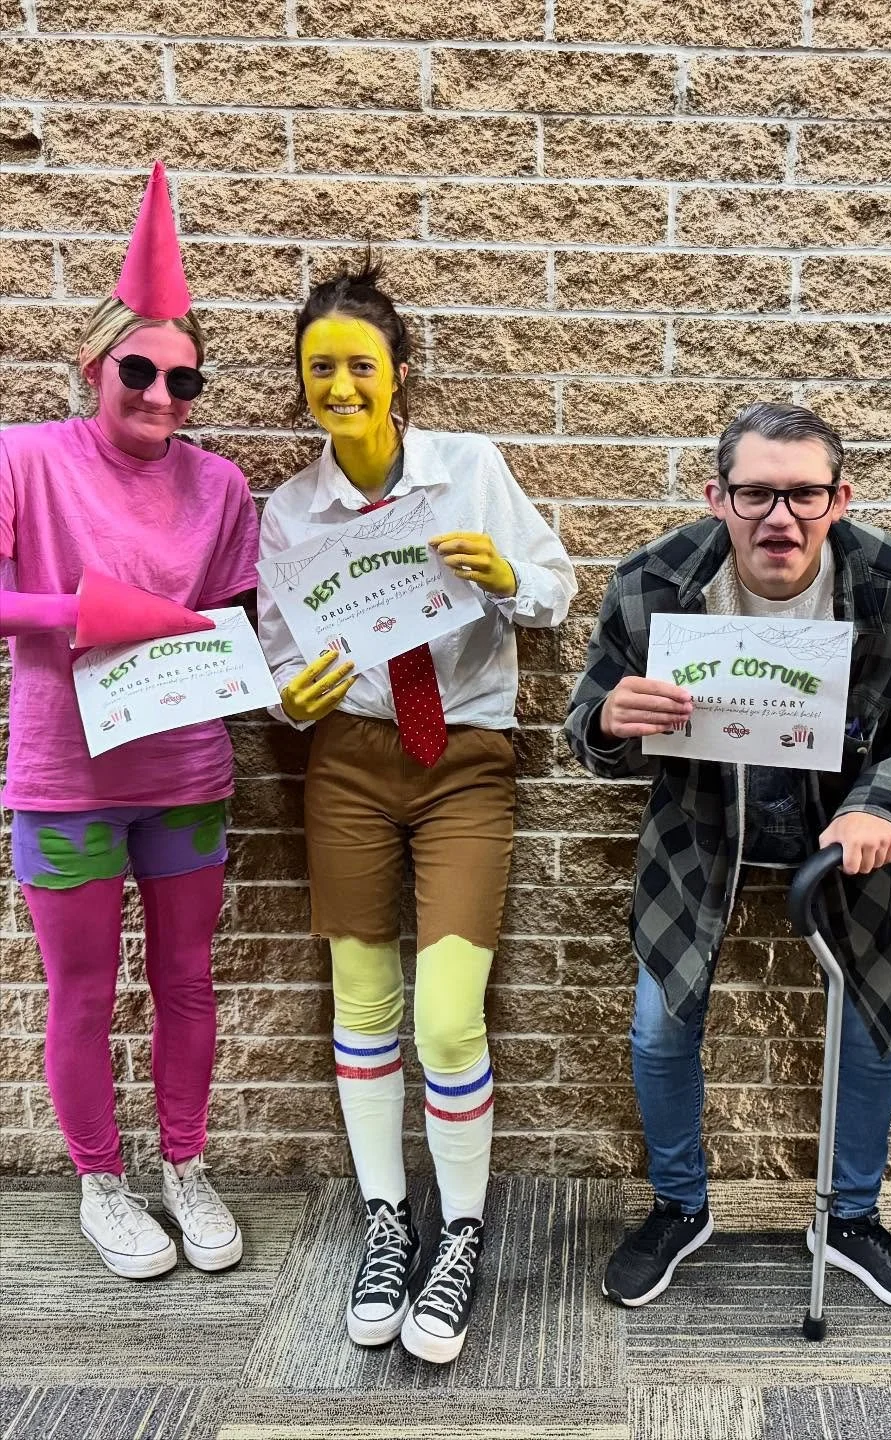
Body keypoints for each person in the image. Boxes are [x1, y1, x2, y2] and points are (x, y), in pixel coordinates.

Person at [565, 401, 891, 1314]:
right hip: (702, 835)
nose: (779, 519)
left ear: (841, 499)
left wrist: (886, 804)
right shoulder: (653, 582)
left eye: (803, 495)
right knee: (658, 1025)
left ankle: (852, 1217)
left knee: (871, 1023)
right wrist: (610, 723)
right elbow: (588, 719)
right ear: (717, 496)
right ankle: (680, 1207)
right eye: (756, 494)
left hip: (843, 840)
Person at [256, 258, 576, 1365]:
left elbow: (556, 588)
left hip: (464, 760)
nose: (340, 384)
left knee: (445, 1015)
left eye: (360, 365)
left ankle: (463, 1231)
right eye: (321, 369)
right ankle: (388, 1224)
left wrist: (502, 574)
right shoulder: (291, 510)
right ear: (303, 383)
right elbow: (281, 661)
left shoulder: (470, 470)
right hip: (345, 760)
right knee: (360, 997)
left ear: (398, 377)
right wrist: (287, 700)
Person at [0, 163, 258, 1280]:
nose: (160, 396)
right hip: (65, 776)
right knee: (84, 991)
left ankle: (185, 1166)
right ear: (93, 366)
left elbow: (236, 616)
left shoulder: (224, 487)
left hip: (187, 769)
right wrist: (87, 612)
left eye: (183, 379)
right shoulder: (23, 457)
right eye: (139, 372)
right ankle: (103, 1182)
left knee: (188, 981)